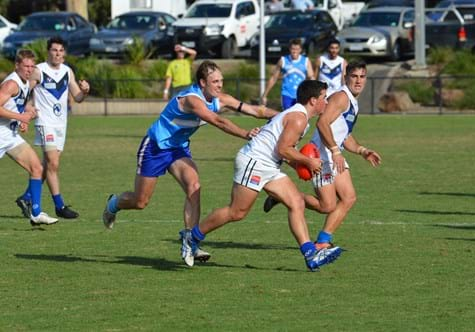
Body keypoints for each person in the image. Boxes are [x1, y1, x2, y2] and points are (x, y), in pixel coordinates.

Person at [102, 60, 278, 264]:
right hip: (155, 147)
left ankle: (190, 241)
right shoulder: (192, 100)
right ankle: (113, 204)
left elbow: (257, 111)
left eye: (221, 80)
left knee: (194, 186)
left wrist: (285, 116)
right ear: (203, 82)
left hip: (178, 149)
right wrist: (245, 133)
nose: (220, 85)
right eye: (215, 81)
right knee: (141, 202)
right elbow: (218, 122)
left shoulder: (221, 99)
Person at [185, 80, 343, 271]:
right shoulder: (299, 119)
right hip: (254, 162)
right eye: (324, 98)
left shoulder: (301, 118)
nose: (326, 102)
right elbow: (283, 149)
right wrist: (308, 162)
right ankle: (192, 236)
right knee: (237, 212)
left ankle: (310, 254)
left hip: (269, 165)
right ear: (312, 100)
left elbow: (283, 150)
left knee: (296, 203)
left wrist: (298, 165)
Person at [264, 61, 382, 251]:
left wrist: (362, 151)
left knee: (349, 198)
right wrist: (335, 151)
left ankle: (322, 241)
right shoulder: (341, 98)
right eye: (354, 76)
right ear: (346, 77)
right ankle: (283, 197)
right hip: (321, 155)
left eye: (362, 76)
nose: (358, 80)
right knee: (327, 206)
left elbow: (345, 134)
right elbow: (323, 123)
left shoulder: (352, 101)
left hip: (334, 155)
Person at [15, 36, 90, 220]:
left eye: (61, 50)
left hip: (61, 125)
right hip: (44, 123)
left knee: (48, 166)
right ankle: (59, 205)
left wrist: (86, 91)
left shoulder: (67, 71)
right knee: (53, 163)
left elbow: (78, 97)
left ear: (64, 54)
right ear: (48, 51)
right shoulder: (39, 70)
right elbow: (25, 92)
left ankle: (26, 197)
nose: (58, 54)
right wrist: (24, 115)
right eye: (54, 50)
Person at [1, 50, 58, 225]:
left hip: (10, 136)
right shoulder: (11, 83)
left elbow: (17, 103)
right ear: (17, 65)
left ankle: (36, 213)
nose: (29, 69)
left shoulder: (25, 82)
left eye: (32, 66)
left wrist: (25, 113)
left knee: (37, 168)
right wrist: (21, 118)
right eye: (25, 66)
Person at [261, 38, 314, 110]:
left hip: (301, 95)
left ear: (300, 50)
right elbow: (273, 78)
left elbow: (311, 78)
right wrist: (265, 95)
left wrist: (314, 93)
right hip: (287, 94)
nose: (295, 51)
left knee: (301, 116)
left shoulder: (306, 61)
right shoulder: (283, 60)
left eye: (297, 49)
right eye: (293, 49)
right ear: (289, 49)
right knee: (288, 116)